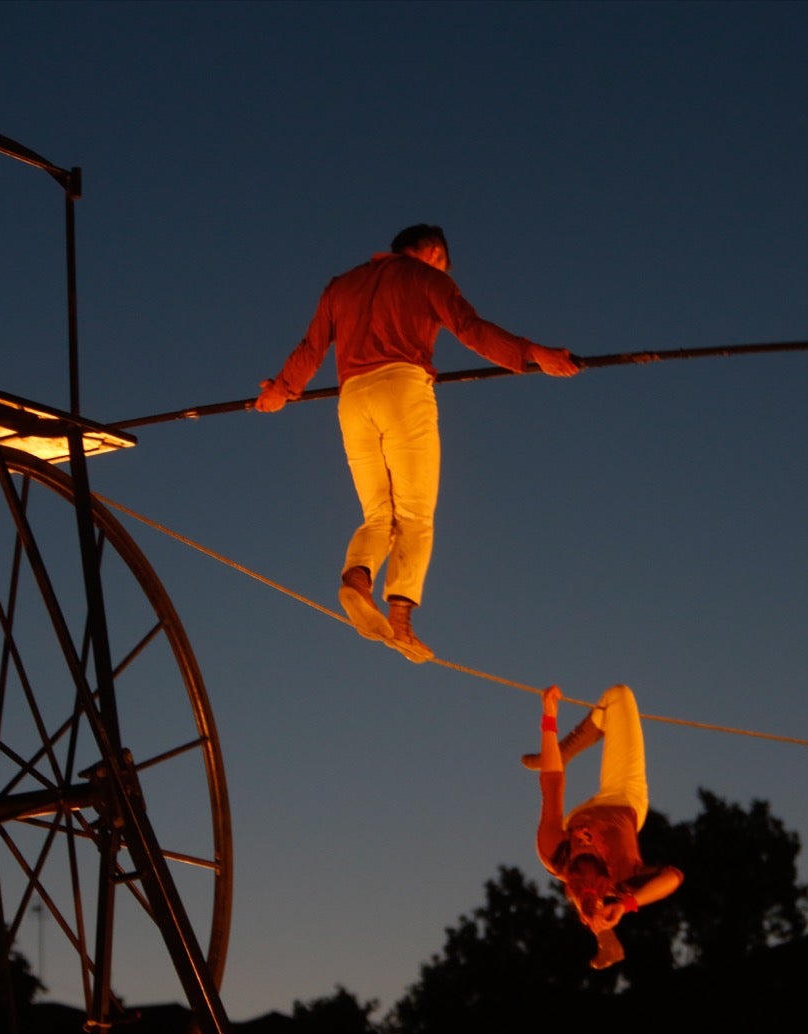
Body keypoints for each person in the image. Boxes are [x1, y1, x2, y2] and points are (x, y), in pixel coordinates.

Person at [254, 224, 579, 663]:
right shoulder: (427, 278)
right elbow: (470, 327)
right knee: (415, 513)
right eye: (444, 261)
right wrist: (534, 352)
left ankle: (357, 580)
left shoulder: (341, 286)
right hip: (402, 388)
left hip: (352, 399)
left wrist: (280, 389)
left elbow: (311, 348)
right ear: (431, 253)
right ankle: (401, 619)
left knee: (378, 514)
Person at [527, 683, 683, 969]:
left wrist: (549, 717)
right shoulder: (622, 875)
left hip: (585, 810)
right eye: (591, 844)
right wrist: (626, 905)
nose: (583, 837)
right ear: (604, 861)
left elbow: (552, 783)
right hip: (625, 798)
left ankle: (563, 751)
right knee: (619, 696)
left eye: (578, 843)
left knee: (555, 766)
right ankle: (602, 931)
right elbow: (673, 877)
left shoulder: (552, 849)